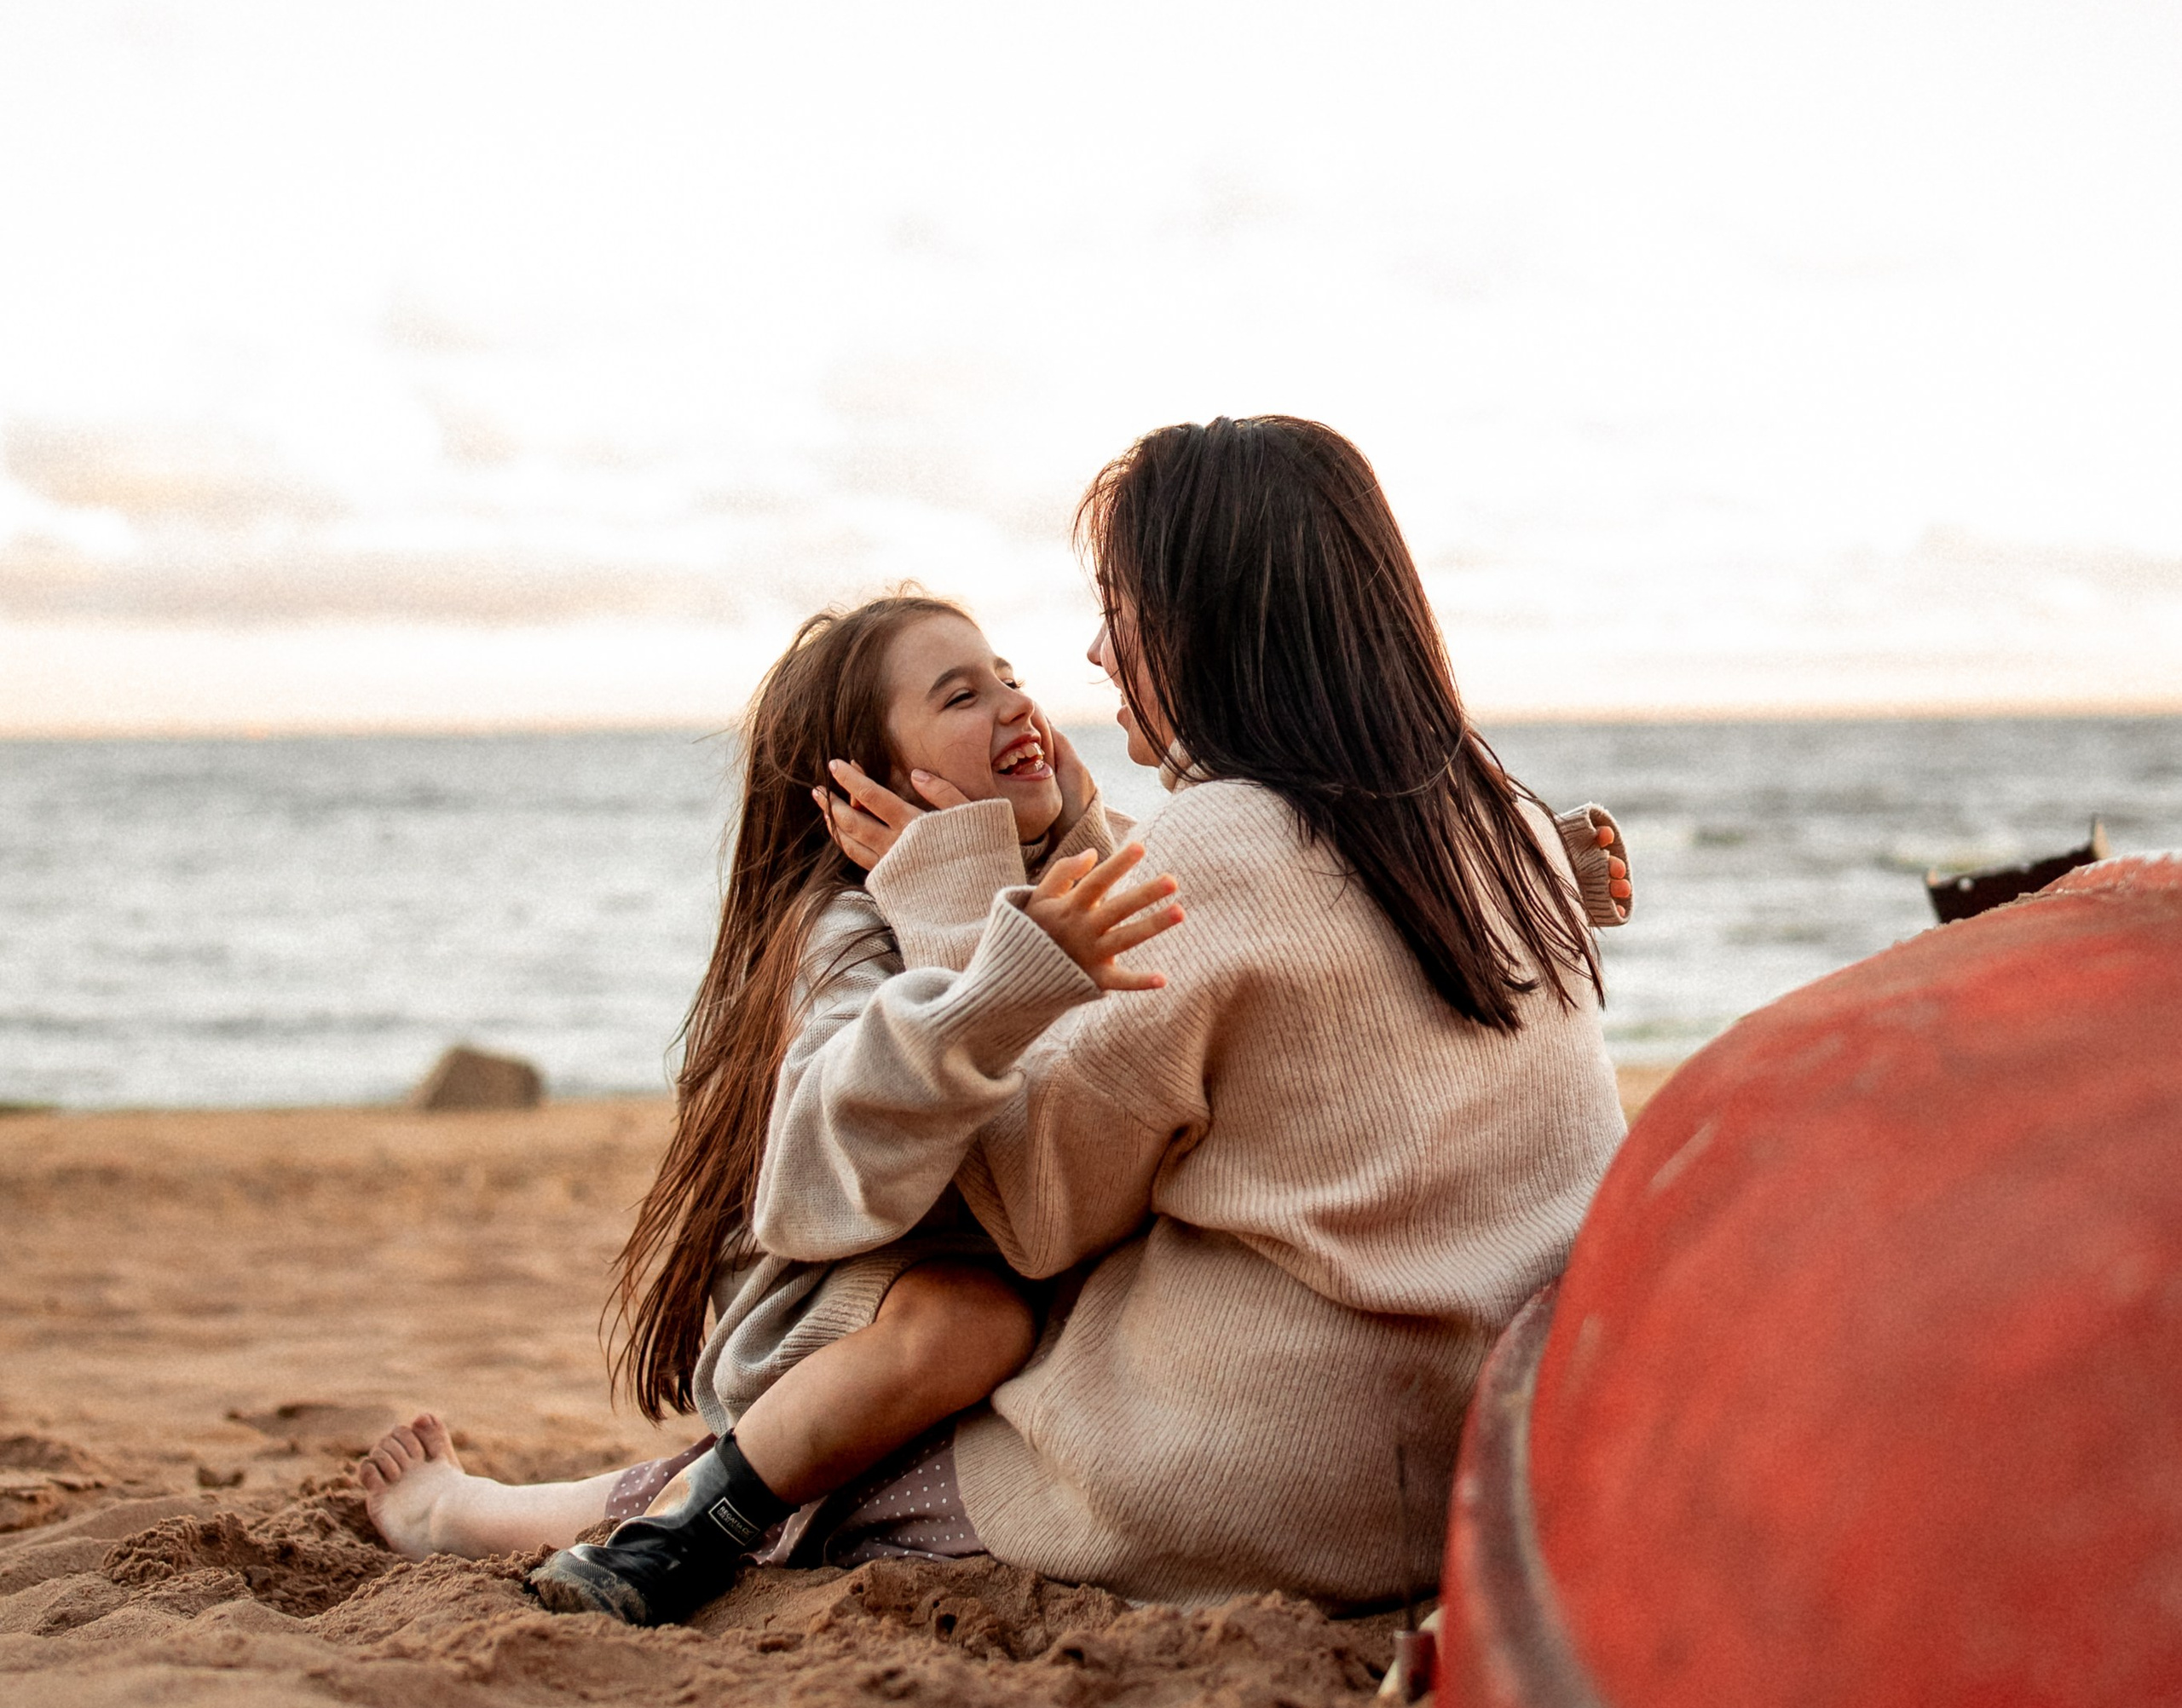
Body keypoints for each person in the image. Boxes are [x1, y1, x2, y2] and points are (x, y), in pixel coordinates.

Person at [525, 415, 1633, 1623]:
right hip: (1493, 1443)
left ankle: (526, 1517)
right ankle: (500, 1510)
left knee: (852, 1478)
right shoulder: (1493, 816)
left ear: (1204, 618)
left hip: (1283, 1479)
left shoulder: (1214, 848)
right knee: (902, 1389)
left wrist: (961, 915)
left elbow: (1032, 1213)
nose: (1091, 658)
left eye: (1119, 608)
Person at [355, 594, 1179, 1607]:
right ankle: (626, 1538)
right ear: (866, 787)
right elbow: (829, 1172)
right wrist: (980, 956)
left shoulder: (1069, 867)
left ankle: (480, 1510)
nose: (1015, 705)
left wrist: (1076, 830)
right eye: (961, 696)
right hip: (857, 1290)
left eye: (1008, 676)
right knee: (972, 1321)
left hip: (1019, 1268)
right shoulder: (844, 931)